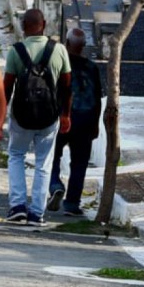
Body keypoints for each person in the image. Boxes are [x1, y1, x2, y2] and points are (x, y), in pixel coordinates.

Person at [3, 9, 72, 226]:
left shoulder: (16, 51)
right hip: (49, 116)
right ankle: (36, 213)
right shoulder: (59, 50)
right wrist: (66, 115)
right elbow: (67, 86)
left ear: (23, 25)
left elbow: (6, 88)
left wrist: (1, 116)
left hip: (21, 116)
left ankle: (17, 206)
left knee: (16, 155)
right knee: (44, 163)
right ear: (44, 24)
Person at [47, 28, 103, 218]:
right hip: (86, 119)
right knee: (79, 164)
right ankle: (71, 204)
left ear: (67, 43)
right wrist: (95, 124)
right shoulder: (92, 67)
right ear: (83, 46)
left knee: (52, 157)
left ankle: (55, 185)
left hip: (60, 117)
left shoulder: (58, 64)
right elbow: (97, 98)